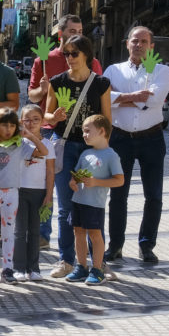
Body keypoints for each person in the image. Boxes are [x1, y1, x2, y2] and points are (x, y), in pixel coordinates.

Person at [44, 34, 112, 278]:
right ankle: (66, 261)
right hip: (65, 146)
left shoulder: (101, 83)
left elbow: (107, 122)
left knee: (92, 205)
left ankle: (98, 263)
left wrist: (103, 152)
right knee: (66, 207)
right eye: (66, 54)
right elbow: (46, 116)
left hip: (90, 151)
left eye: (74, 53)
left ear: (86, 55)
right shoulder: (57, 81)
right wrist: (55, 117)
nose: (70, 58)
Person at [103, 26, 169, 263]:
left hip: (151, 138)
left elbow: (155, 100)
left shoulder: (162, 71)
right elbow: (105, 99)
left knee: (153, 195)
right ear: (127, 43)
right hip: (120, 138)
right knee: (118, 195)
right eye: (135, 40)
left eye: (144, 41)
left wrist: (120, 98)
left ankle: (146, 245)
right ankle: (115, 246)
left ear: (152, 46)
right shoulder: (113, 70)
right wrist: (133, 97)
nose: (139, 45)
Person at [0, 108, 46, 284]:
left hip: (12, 193)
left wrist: (29, 135)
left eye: (12, 125)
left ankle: (8, 269)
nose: (9, 129)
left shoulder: (20, 146)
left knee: (9, 233)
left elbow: (43, 151)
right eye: (5, 125)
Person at [66, 115, 125, 286]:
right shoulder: (85, 153)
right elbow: (76, 175)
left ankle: (97, 269)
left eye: (87, 131)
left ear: (102, 131)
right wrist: (73, 182)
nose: (84, 134)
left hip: (94, 204)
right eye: (83, 131)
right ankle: (81, 266)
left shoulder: (111, 155)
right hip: (78, 200)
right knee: (78, 232)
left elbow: (119, 180)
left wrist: (96, 182)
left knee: (94, 235)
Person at [28, 13, 103, 111]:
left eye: (80, 31)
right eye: (72, 31)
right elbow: (32, 97)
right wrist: (42, 90)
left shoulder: (92, 62)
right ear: (60, 33)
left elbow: (100, 95)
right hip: (50, 123)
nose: (77, 35)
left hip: (81, 122)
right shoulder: (42, 61)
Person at [17, 105, 54, 281]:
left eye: (35, 120)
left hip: (38, 192)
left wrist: (49, 194)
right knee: (19, 231)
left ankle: (34, 268)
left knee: (34, 232)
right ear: (20, 121)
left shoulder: (47, 144)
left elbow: (50, 171)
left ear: (43, 122)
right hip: (19, 191)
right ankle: (18, 268)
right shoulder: (18, 142)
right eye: (27, 120)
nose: (31, 123)